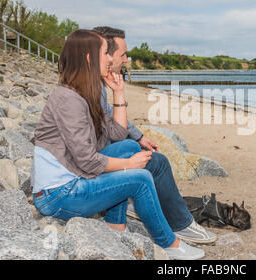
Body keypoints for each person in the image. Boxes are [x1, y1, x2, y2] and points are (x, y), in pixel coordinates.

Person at [31, 29, 204, 260]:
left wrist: (119, 93)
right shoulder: (68, 99)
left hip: (73, 177)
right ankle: (170, 243)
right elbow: (87, 161)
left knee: (129, 147)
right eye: (105, 53)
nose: (111, 59)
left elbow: (118, 133)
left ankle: (115, 224)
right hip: (57, 195)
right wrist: (128, 165)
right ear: (89, 58)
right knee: (140, 179)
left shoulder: (84, 93)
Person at [92, 26, 217, 245]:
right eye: (123, 54)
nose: (127, 59)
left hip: (95, 155)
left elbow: (111, 117)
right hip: (92, 164)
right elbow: (106, 134)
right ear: (106, 54)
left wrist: (138, 136)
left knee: (137, 148)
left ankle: (132, 203)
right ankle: (180, 225)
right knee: (157, 162)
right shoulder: (92, 87)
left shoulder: (95, 81)